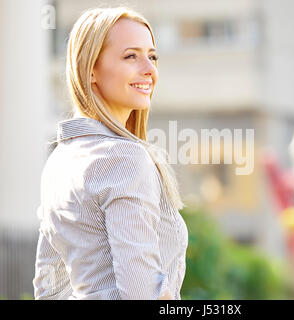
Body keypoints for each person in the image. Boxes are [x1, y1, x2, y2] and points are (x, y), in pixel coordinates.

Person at [32, 6, 188, 300]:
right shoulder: (126, 159)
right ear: (90, 69)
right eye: (131, 56)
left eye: (152, 56)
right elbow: (144, 294)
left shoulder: (60, 160)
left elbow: (48, 287)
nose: (149, 69)